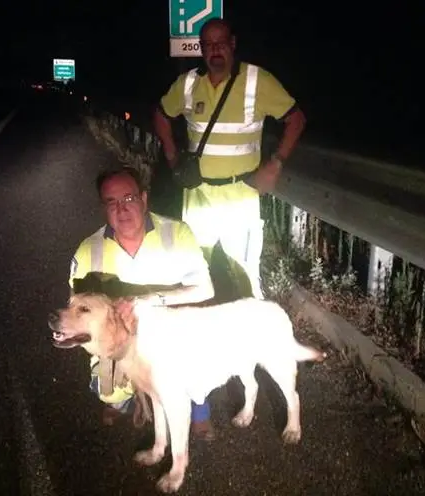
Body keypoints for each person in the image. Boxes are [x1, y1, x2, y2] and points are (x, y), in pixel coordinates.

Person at [153, 17, 306, 300]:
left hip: (240, 196)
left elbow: (296, 120)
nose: (215, 50)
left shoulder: (257, 81)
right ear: (200, 48)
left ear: (232, 44)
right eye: (208, 45)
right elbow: (161, 116)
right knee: (193, 271)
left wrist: (275, 164)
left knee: (246, 274)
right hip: (198, 194)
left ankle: (252, 332)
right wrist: (172, 156)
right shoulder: (188, 84)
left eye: (221, 43)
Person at [68, 166, 218, 441]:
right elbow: (78, 311)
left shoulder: (177, 233)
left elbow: (205, 289)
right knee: (107, 389)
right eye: (112, 202)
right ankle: (123, 399)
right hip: (122, 339)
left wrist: (147, 301)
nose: (122, 209)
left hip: (173, 333)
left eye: (129, 199)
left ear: (144, 199)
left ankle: (198, 407)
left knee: (194, 370)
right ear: (103, 208)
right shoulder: (88, 250)